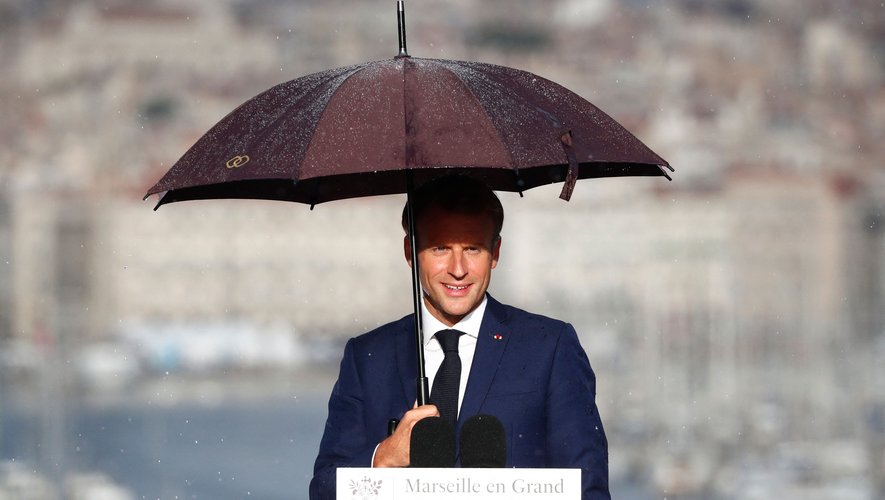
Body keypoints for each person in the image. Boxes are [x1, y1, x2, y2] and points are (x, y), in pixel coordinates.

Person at [309, 175, 609, 499]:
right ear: (411, 252)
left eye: (472, 249)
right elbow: (324, 488)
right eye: (440, 248)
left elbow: (586, 486)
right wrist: (382, 460)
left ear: (495, 253)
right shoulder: (367, 357)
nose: (458, 269)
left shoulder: (549, 347)